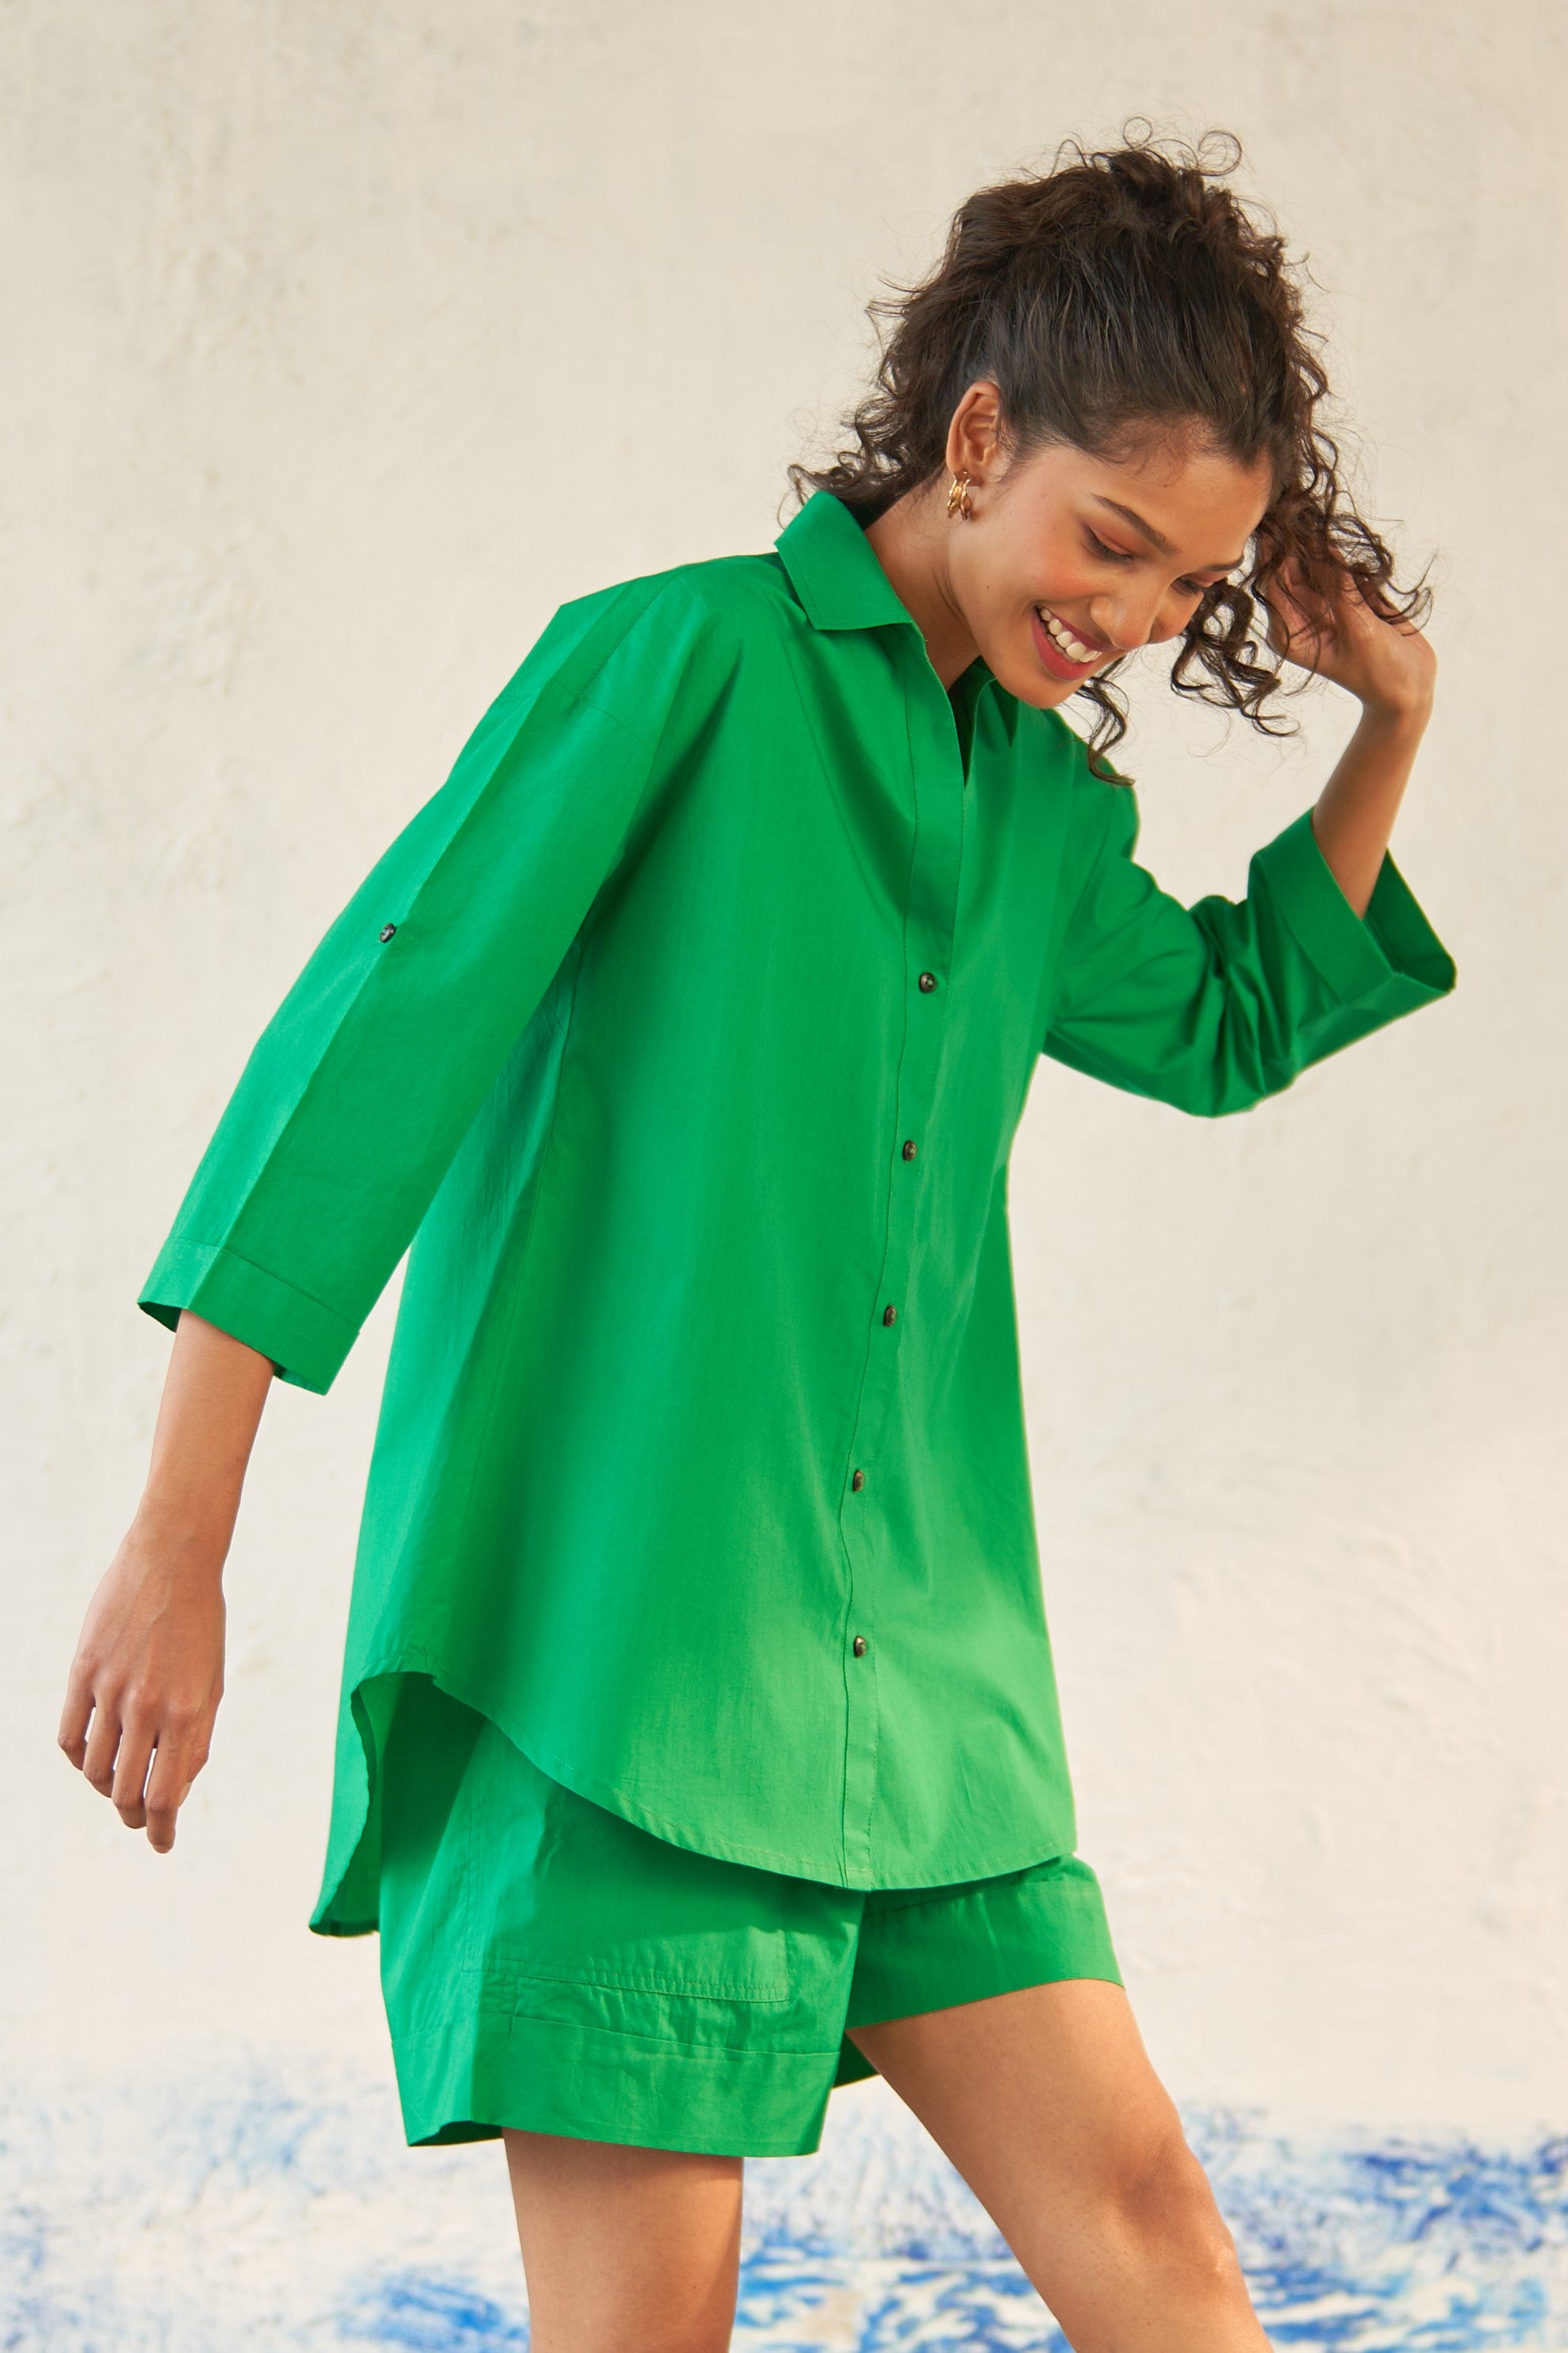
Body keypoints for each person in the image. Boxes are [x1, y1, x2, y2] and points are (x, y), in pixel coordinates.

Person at [59, 129, 1453, 2353]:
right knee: (653, 2327)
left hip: (924, 1689)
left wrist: (1394, 714)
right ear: (975, 439)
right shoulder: (675, 664)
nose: (1128, 620)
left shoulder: (1040, 805)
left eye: (1187, 589)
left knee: (1156, 2243)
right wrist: (177, 1539)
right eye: (1111, 542)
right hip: (610, 1671)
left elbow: (1225, 1023)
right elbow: (366, 1063)